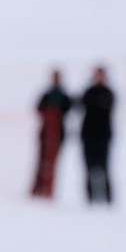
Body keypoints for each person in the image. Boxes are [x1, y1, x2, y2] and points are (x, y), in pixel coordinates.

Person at [32, 69, 73, 199]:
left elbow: (68, 110)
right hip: (45, 133)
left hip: (57, 134)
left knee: (52, 164)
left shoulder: (64, 96)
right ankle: (38, 189)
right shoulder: (46, 95)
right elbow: (38, 109)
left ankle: (48, 190)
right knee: (41, 162)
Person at [77, 65, 115, 205]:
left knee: (104, 167)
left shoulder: (108, 92)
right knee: (88, 168)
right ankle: (90, 198)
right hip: (88, 136)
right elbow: (83, 105)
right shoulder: (89, 92)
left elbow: (105, 107)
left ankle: (107, 199)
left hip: (103, 137)